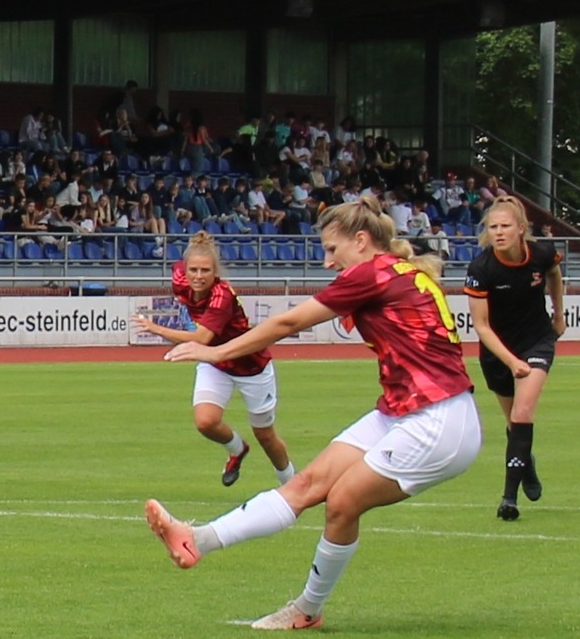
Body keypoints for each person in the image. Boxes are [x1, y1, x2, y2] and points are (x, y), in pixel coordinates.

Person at [144, 196, 481, 630]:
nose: (326, 262)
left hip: (437, 420)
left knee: (341, 502)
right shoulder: (396, 271)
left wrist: (216, 350)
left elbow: (288, 325)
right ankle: (197, 539)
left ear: (360, 241)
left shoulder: (373, 274)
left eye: (331, 250)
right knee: (307, 483)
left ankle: (307, 610)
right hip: (404, 409)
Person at [133, 233, 295, 487]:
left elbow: (202, 338)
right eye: (193, 269)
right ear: (184, 269)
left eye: (205, 270)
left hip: (250, 366)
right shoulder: (179, 277)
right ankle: (237, 449)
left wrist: (157, 329)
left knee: (265, 435)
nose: (198, 276)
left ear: (215, 272)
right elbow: (206, 347)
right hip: (215, 362)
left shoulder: (222, 295)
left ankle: (291, 482)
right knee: (205, 422)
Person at [464, 195, 564, 521]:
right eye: (493, 227)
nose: (499, 232)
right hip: (498, 352)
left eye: (505, 226)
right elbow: (481, 326)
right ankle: (527, 464)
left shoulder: (542, 253)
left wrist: (559, 315)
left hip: (536, 341)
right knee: (513, 423)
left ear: (521, 228)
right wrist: (509, 361)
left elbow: (554, 275)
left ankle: (509, 498)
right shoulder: (481, 268)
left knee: (523, 413)